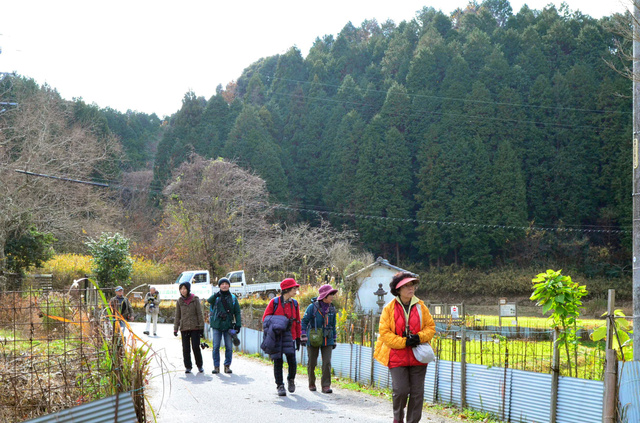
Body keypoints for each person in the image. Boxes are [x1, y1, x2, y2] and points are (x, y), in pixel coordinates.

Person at [373, 272, 436, 423]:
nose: (411, 288)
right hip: (396, 356)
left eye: (412, 285)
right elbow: (385, 333)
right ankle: (398, 418)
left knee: (417, 393)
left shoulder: (421, 306)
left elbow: (430, 327)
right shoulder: (389, 308)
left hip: (418, 356)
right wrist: (404, 342)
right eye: (406, 286)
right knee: (400, 391)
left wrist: (419, 337)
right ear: (398, 289)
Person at [261, 278, 302, 396]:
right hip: (277, 336)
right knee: (278, 361)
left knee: (292, 361)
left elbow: (298, 321)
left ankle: (291, 379)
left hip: (291, 336)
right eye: (294, 288)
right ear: (287, 289)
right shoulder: (274, 302)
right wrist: (279, 322)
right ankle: (280, 385)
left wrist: (299, 337)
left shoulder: (294, 303)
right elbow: (265, 319)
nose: (296, 290)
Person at [301, 284, 338, 393]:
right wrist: (303, 335)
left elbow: (334, 324)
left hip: (328, 339)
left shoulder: (332, 308)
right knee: (312, 362)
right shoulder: (312, 307)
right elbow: (304, 321)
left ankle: (326, 386)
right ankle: (311, 383)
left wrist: (334, 339)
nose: (332, 296)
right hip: (313, 338)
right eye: (331, 294)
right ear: (324, 296)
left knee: (327, 362)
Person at [206, 277, 242, 374]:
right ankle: (216, 366)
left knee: (229, 347)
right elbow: (209, 301)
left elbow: (237, 312)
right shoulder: (216, 297)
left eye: (226, 284)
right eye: (222, 284)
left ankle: (227, 366)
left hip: (228, 326)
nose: (224, 285)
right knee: (216, 346)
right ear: (219, 286)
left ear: (229, 285)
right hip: (216, 325)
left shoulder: (233, 298)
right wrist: (216, 295)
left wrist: (238, 325)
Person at [174, 281, 205, 374]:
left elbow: (199, 314)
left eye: (184, 289)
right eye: (181, 289)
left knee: (196, 347)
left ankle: (200, 365)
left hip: (195, 327)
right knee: (185, 348)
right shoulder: (179, 301)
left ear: (188, 289)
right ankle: (188, 366)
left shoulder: (195, 299)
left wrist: (201, 327)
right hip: (184, 328)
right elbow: (177, 316)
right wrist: (175, 328)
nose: (183, 291)